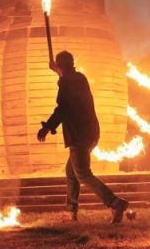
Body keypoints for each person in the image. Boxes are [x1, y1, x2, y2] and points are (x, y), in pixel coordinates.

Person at [37, 50, 130, 223]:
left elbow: (62, 108)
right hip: (90, 132)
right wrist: (58, 71)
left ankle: (115, 203)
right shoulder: (79, 78)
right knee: (71, 173)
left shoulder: (67, 82)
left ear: (62, 65)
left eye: (59, 65)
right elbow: (67, 78)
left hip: (79, 134)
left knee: (82, 174)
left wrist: (47, 127)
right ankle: (71, 212)